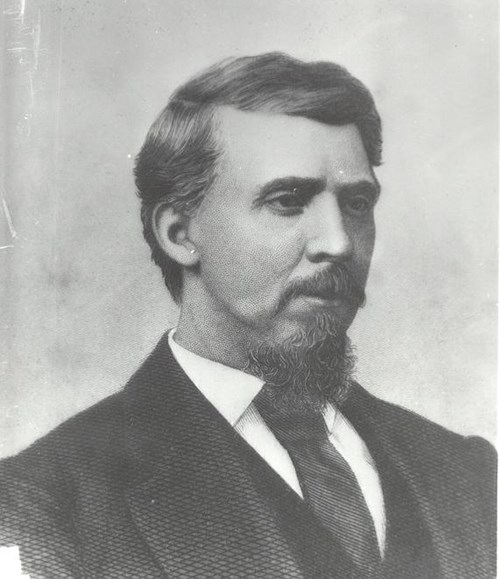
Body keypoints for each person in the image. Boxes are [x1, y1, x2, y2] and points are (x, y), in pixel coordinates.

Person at [0, 52, 495, 579]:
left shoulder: (465, 472)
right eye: (287, 201)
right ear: (180, 233)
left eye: (356, 204)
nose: (339, 243)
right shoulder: (41, 504)